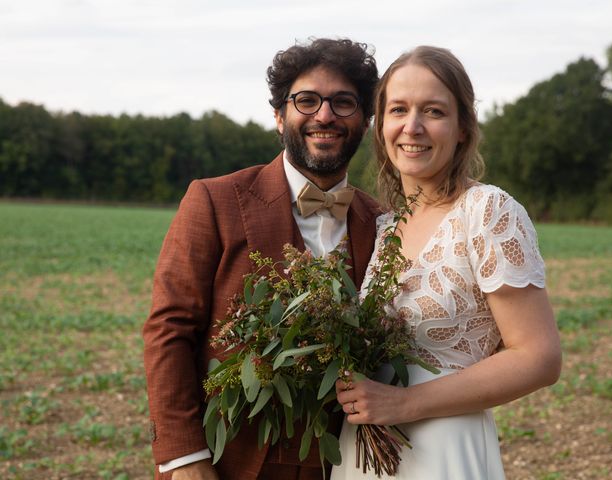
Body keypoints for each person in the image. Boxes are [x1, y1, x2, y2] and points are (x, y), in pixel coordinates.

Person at [142, 38, 380, 480]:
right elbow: (169, 329)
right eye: (306, 100)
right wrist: (183, 458)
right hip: (229, 461)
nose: (324, 115)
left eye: (343, 103)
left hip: (349, 461)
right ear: (278, 116)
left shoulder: (383, 221)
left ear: (365, 121)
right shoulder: (214, 200)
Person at [331, 46, 562, 479]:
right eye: (398, 109)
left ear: (461, 128)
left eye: (433, 111)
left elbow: (539, 357)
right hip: (365, 452)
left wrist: (403, 403)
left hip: (445, 452)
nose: (412, 127)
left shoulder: (488, 211)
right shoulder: (383, 226)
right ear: (381, 126)